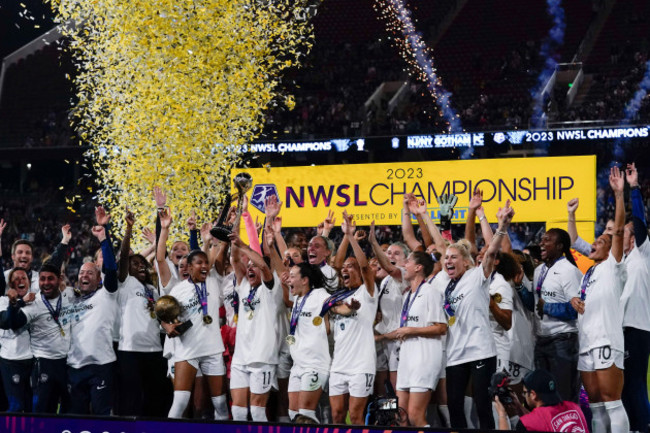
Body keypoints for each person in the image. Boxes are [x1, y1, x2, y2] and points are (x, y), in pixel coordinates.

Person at [441, 199, 515, 429]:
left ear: (466, 262)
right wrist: (444, 223)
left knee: (483, 405)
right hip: (455, 353)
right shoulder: (446, 284)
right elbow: (439, 243)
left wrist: (501, 226)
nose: (448, 261)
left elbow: (492, 250)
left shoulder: (477, 276)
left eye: (454, 257)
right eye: (446, 258)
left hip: (481, 350)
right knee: (454, 406)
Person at [571, 166, 629, 433]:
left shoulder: (614, 265)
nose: (592, 244)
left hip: (606, 339)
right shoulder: (589, 273)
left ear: (610, 249)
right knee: (595, 404)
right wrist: (577, 304)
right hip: (587, 342)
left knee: (612, 402)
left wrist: (619, 194)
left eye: (599, 242)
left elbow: (617, 231)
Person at [519, 227, 583, 402]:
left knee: (564, 397)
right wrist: (520, 287)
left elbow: (576, 310)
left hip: (563, 341)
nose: (541, 243)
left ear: (560, 246)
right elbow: (534, 305)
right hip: (541, 341)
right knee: (544, 399)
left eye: (547, 240)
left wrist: (547, 307)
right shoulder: (539, 270)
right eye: (542, 239)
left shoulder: (569, 271)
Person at [116, 208, 169, 416]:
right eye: (134, 263)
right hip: (130, 350)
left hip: (155, 350)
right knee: (132, 400)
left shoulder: (153, 290)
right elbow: (122, 258)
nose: (139, 266)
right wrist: (128, 229)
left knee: (154, 399)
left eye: (142, 264)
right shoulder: (125, 283)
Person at [0, 262, 73, 413]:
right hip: (14, 362)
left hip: (36, 361)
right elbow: (10, 322)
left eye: (23, 278)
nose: (46, 283)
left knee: (55, 407)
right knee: (18, 406)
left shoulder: (69, 295)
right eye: (43, 279)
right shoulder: (12, 302)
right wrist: (16, 303)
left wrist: (64, 242)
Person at [164, 249, 228, 420]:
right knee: (179, 403)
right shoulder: (178, 290)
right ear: (190, 268)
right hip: (187, 350)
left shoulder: (214, 281)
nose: (204, 266)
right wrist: (167, 327)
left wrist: (224, 236)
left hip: (213, 350)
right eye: (199, 263)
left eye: (206, 262)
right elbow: (162, 314)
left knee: (220, 404)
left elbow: (221, 253)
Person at [385, 251, 446, 427]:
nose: (404, 265)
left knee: (415, 416)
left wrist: (412, 330)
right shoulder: (407, 296)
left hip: (424, 358)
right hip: (406, 358)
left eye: (408, 262)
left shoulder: (430, 292)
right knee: (400, 416)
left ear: (418, 268)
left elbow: (441, 327)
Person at [329, 211, 378, 425]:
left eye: (351, 266)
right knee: (337, 416)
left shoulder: (368, 292)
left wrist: (349, 237)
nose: (345, 269)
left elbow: (366, 267)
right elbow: (334, 266)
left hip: (361, 365)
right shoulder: (337, 297)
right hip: (338, 364)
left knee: (356, 416)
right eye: (344, 268)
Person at [229, 230, 282, 422]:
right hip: (241, 357)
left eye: (254, 267)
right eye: (248, 266)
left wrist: (243, 245)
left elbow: (263, 265)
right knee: (238, 412)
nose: (250, 268)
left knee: (258, 412)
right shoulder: (243, 287)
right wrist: (233, 237)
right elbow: (235, 261)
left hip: (263, 358)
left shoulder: (271, 288)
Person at [66, 222, 118, 415]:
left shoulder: (106, 294)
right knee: (75, 417)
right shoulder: (72, 300)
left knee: (102, 416)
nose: (84, 275)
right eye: (81, 273)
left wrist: (104, 238)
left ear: (98, 279)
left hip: (101, 365)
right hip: (74, 366)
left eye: (89, 272)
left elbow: (111, 269)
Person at [619, 163, 650, 433]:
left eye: (625, 232)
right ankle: (633, 427)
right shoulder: (625, 260)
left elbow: (639, 222)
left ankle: (643, 426)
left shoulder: (644, 252)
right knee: (627, 383)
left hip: (638, 327)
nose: (624, 234)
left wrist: (634, 189)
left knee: (636, 382)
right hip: (624, 329)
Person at [285, 262, 331, 423]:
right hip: (297, 365)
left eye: (292, 276)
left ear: (304, 280)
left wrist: (348, 308)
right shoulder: (298, 299)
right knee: (293, 414)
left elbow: (334, 305)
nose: (288, 279)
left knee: (306, 414)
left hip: (314, 364)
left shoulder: (319, 294)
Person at [494, 369, 589, 432]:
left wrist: (502, 415)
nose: (524, 396)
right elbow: (542, 420)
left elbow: (534, 422)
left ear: (533, 395)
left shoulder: (528, 423)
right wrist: (519, 407)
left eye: (525, 392)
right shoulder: (575, 408)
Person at [0, 268, 35, 412]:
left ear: (29, 282)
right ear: (10, 284)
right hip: (11, 361)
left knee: (31, 406)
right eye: (16, 278)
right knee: (15, 406)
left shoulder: (36, 301)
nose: (21, 280)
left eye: (24, 278)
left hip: (33, 360)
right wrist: (16, 303)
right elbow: (7, 322)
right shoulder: (2, 301)